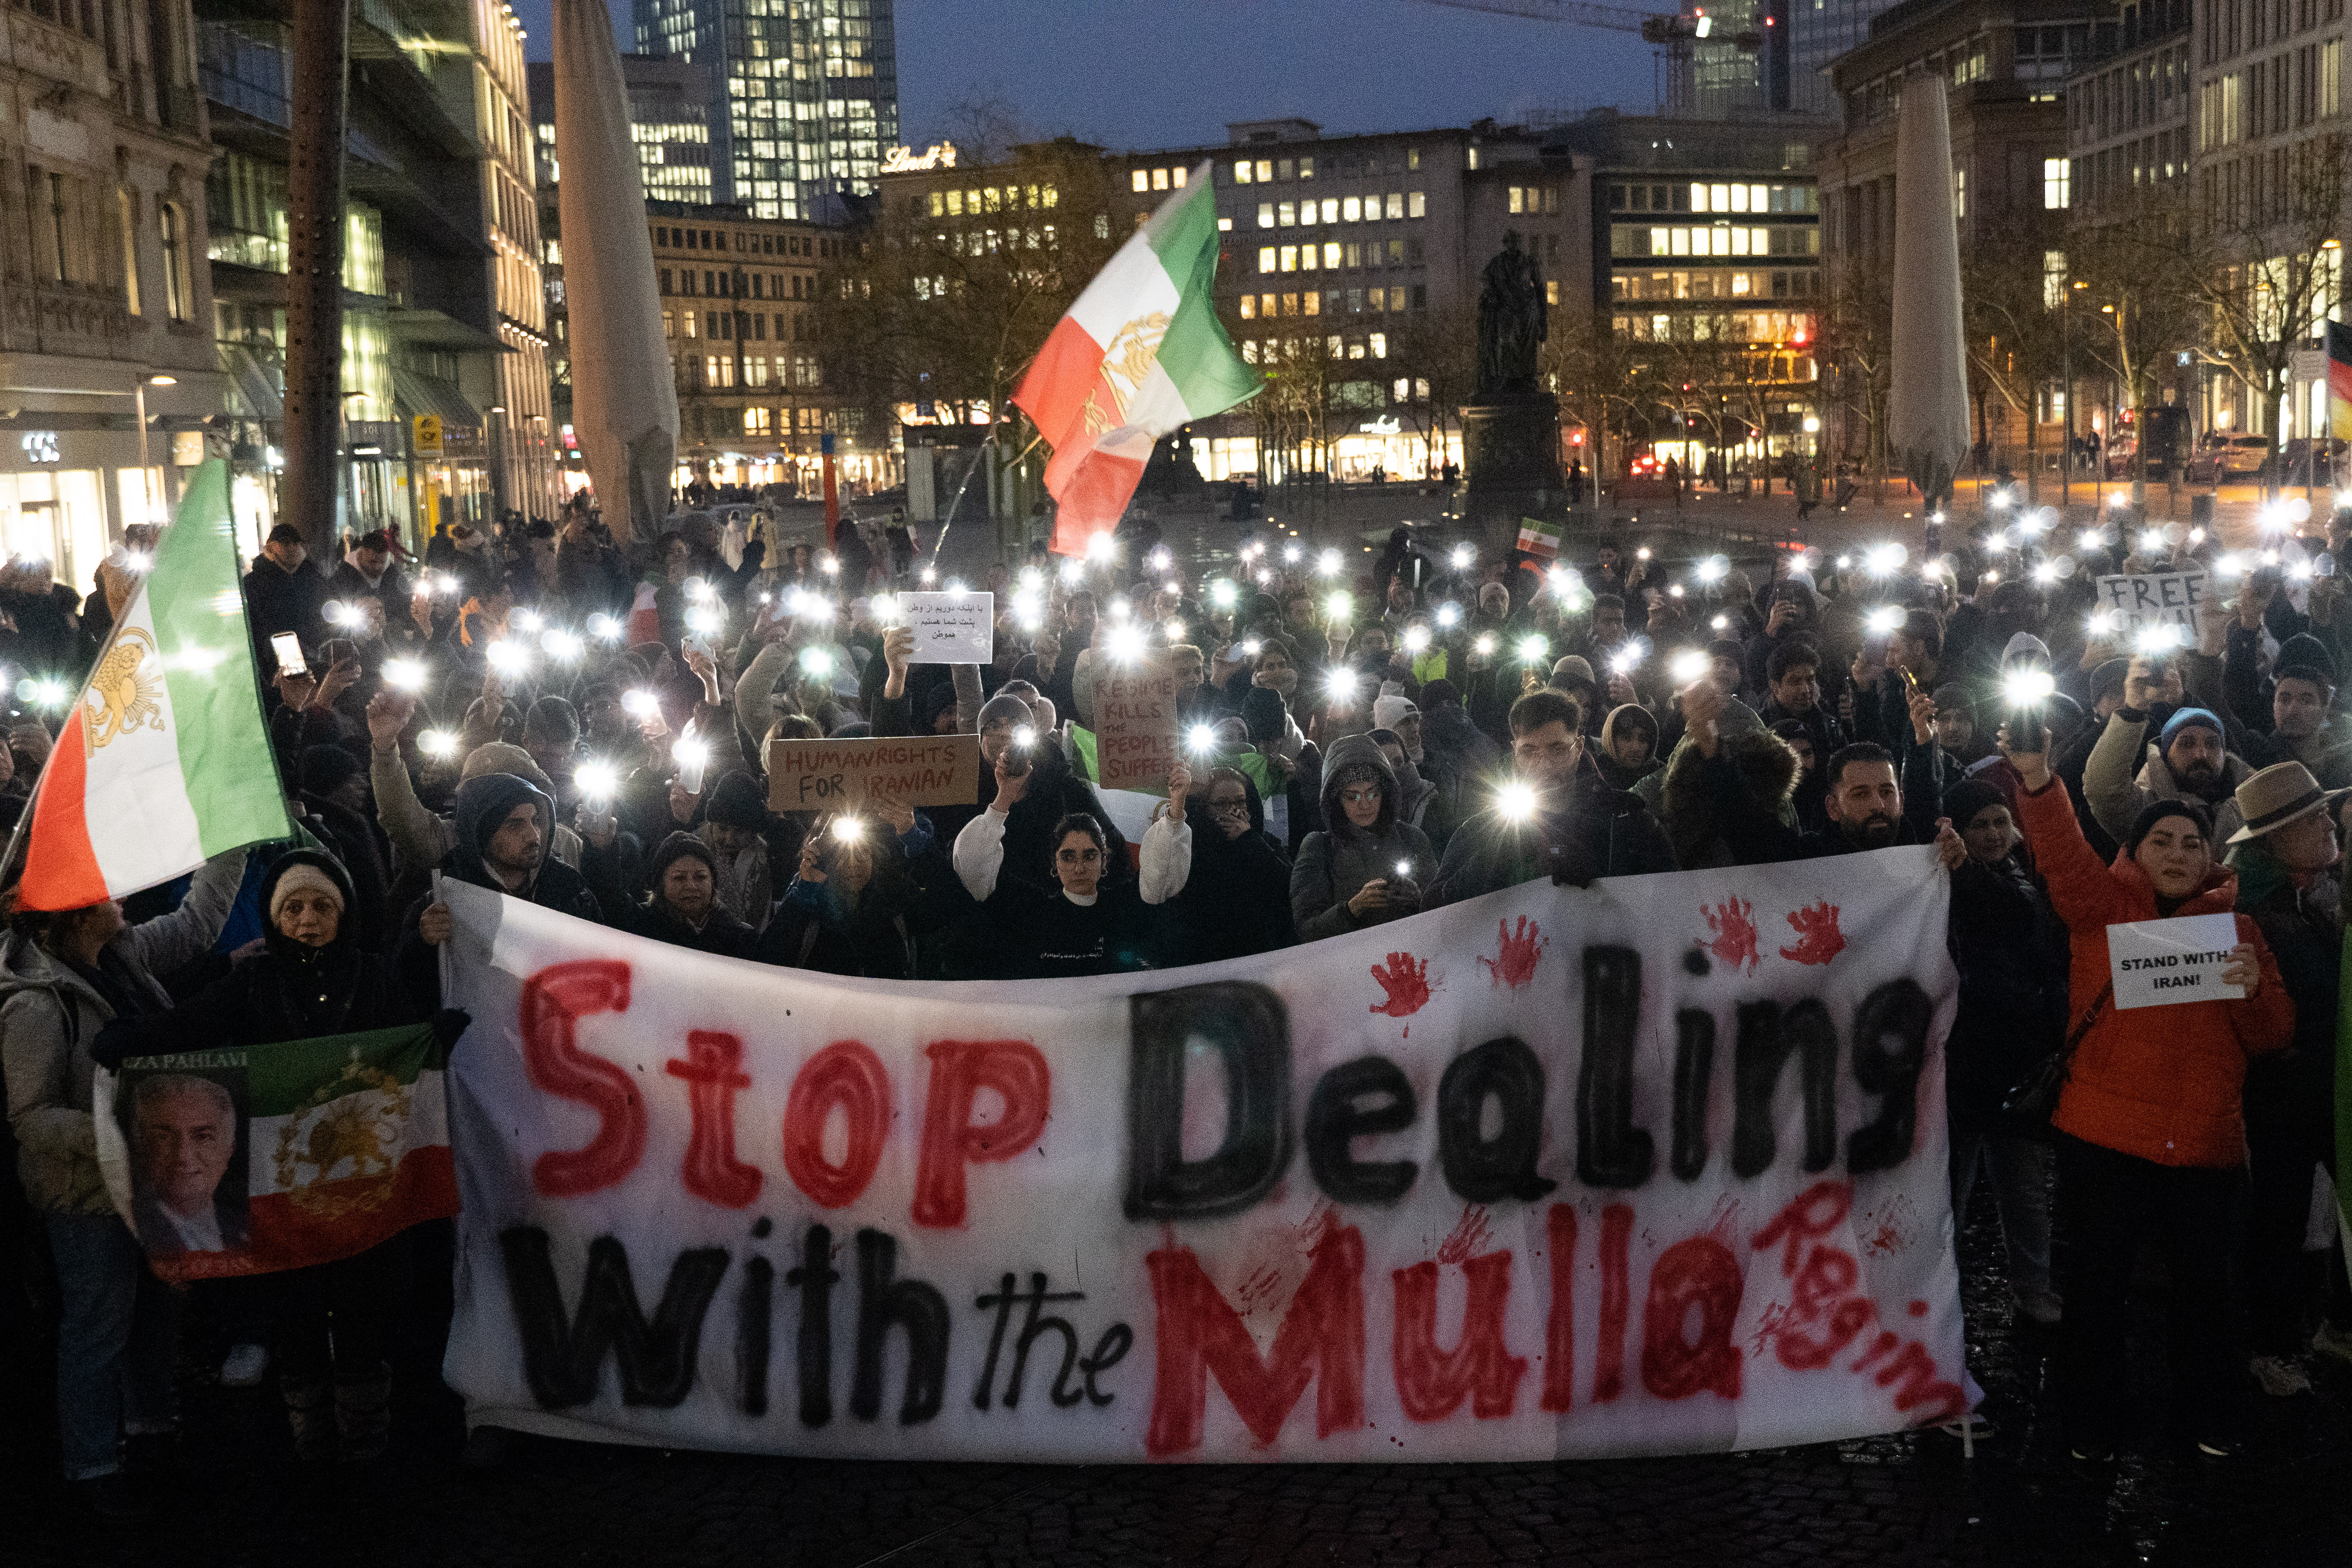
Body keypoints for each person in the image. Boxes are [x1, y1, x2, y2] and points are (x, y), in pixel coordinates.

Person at [90, 849, 454, 1467]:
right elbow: (191, 1026)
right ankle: (311, 1436)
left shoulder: (371, 977)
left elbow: (408, 1035)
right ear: (275, 916)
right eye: (293, 907)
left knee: (363, 1316)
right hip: (286, 1189)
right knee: (297, 1316)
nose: (308, 920)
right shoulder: (251, 983)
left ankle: (365, 1438)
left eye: (321, 906)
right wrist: (133, 1045)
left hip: (362, 1183)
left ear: (344, 913)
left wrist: (433, 1037)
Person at [2004, 730, 2293, 1462]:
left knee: (2208, 1300)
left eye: (2190, 842)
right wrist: (2038, 783)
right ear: (2135, 854)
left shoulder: (2240, 931)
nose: (2175, 852)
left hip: (2203, 1146)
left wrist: (2255, 992)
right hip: (2104, 1141)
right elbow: (2065, 856)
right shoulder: (2101, 912)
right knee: (2097, 1294)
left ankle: (2209, 1417)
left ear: (2210, 857)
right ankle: (2091, 1424)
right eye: (2159, 839)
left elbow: (2270, 1036)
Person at [0, 847, 245, 1516]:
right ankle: (92, 1468)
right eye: (106, 895)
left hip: (150, 1179)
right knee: (99, 1324)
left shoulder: (123, 958)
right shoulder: (36, 1004)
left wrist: (232, 843)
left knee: (157, 1314)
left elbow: (196, 924)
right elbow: (30, 1117)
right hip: (87, 1195)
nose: (122, 901)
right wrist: (121, 1142)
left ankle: (151, 1438)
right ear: (75, 915)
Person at [2219, 762, 2352, 1395]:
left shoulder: (2326, 890)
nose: (2326, 822)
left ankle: (2338, 1323)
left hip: (2334, 1081)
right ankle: (2270, 1347)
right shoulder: (2250, 912)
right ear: (2273, 839)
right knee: (2276, 1218)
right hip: (2281, 1092)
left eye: (2324, 812)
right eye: (2311, 818)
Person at [1940, 777, 2068, 1329]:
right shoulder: (1948, 884)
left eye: (1998, 821)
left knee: (2021, 1187)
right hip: (1961, 1062)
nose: (1992, 834)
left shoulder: (2020, 876)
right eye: (1978, 825)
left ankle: (2032, 1288)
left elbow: (2018, 922)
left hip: (2013, 1057)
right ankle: (1939, 1301)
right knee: (1950, 1192)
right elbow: (1990, 913)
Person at [1426, 690, 1674, 904]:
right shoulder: (1485, 829)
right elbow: (1432, 912)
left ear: (1578, 748)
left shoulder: (1627, 821)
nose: (1543, 765)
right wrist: (1493, 859)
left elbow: (1673, 903)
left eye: (1557, 749)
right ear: (1515, 753)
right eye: (1530, 751)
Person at [951, 761, 1192, 978]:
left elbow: (1162, 875)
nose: (1079, 868)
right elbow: (974, 869)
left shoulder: (1122, 906)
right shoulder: (1030, 909)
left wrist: (1177, 806)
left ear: (1104, 862)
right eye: (1068, 857)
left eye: (1090, 856)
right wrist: (1004, 797)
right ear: (1055, 863)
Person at [761, 799, 957, 978]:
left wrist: (915, 839)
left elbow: (951, 902)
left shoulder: (895, 906)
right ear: (825, 860)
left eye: (862, 853)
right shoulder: (806, 906)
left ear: (875, 857)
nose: (853, 865)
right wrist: (803, 896)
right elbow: (766, 960)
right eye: (842, 856)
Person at [2083, 661, 2255, 845]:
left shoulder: (2251, 805)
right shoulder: (2146, 810)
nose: (2201, 754)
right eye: (2186, 744)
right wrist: (2133, 710)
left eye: (2212, 744)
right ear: (2165, 755)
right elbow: (2103, 789)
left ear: (2225, 753)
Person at [1292, 734, 1438, 939]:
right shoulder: (1319, 848)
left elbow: (1442, 911)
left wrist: (1418, 897)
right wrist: (1353, 908)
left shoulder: (1412, 838)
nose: (1365, 804)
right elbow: (1306, 930)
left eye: (1373, 793)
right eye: (1353, 797)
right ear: (1337, 801)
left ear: (1385, 793)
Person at [1167, 767, 1295, 965]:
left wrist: (1248, 839)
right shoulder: (1191, 848)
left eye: (1240, 802)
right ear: (1205, 807)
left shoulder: (1265, 842)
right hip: (1207, 958)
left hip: (1261, 956)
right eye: (1221, 804)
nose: (1233, 810)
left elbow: (1288, 887)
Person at [127, 1075, 247, 1258]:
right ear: (139, 1145)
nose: (184, 1155)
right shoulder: (129, 1229)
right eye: (163, 1137)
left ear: (229, 1148)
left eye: (203, 1137)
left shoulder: (244, 1226)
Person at [615, 833, 758, 957]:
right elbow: (609, 895)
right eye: (679, 878)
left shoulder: (741, 938)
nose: (691, 886)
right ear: (661, 885)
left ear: (713, 882)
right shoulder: (639, 927)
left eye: (701, 877)